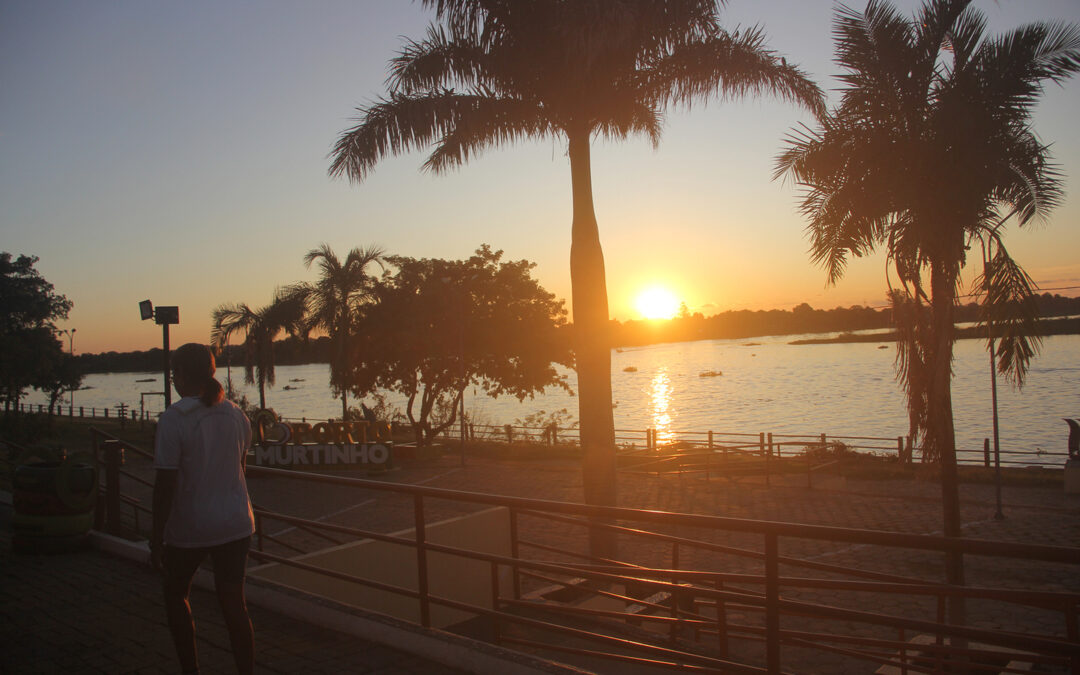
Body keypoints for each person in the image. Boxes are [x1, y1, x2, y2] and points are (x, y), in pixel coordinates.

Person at [151, 343, 255, 674]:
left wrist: (156, 536)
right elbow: (239, 466)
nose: (172, 378)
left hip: (191, 526)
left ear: (180, 375)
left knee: (175, 594)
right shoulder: (236, 414)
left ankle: (191, 670)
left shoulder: (174, 418)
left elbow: (165, 485)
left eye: (173, 372)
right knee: (233, 603)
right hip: (235, 524)